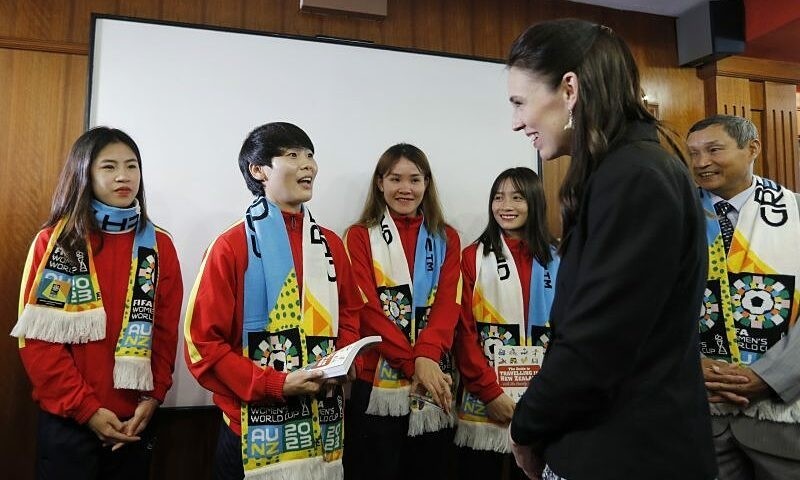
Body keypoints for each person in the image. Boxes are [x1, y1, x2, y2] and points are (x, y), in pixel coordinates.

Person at [504, 19, 717, 480]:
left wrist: (525, 426)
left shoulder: (634, 177)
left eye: (520, 102)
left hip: (629, 451)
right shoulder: (622, 171)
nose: (516, 121)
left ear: (569, 89)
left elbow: (596, 345)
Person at [183, 122, 363, 480]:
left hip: (322, 426)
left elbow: (350, 313)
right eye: (293, 155)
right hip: (249, 432)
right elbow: (203, 344)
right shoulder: (230, 245)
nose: (308, 165)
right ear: (258, 170)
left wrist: (340, 362)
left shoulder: (330, 245)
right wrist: (276, 384)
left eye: (310, 156)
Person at [11, 127, 184, 479]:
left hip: (134, 422)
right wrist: (86, 409)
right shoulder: (56, 244)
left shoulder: (160, 246)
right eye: (108, 167)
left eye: (131, 166)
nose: (123, 176)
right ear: (85, 174)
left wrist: (152, 399)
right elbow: (38, 343)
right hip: (70, 422)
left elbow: (165, 335)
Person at [687, 114, 800, 480]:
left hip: (783, 416)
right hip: (699, 411)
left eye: (714, 149)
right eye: (693, 154)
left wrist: (769, 377)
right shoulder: (673, 213)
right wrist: (688, 362)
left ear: (752, 148)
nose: (702, 162)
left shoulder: (797, 211)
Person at [342, 143, 461, 480]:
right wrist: (415, 364)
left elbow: (448, 306)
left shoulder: (447, 238)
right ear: (380, 183)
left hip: (436, 381)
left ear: (427, 183)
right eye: (395, 179)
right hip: (376, 384)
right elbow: (367, 311)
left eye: (415, 179)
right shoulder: (358, 237)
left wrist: (426, 357)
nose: (405, 189)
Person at [453, 167, 559, 479]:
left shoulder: (560, 256)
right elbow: (463, 333)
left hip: (543, 398)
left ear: (535, 202)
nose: (506, 206)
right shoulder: (473, 256)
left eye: (517, 197)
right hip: (484, 399)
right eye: (498, 198)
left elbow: (571, 331)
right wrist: (489, 392)